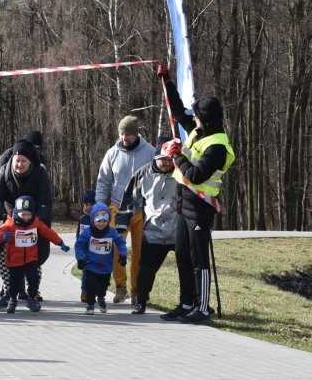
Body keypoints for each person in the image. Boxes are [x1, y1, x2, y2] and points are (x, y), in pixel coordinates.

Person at [157, 65, 236, 325]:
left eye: (198, 115)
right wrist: (166, 81)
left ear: (207, 118)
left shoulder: (218, 146)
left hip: (201, 206)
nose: (194, 118)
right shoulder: (198, 130)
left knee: (199, 260)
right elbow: (178, 111)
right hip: (184, 204)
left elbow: (196, 175)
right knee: (182, 255)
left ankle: (203, 309)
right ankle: (187, 302)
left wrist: (176, 154)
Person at [95, 115, 155, 304]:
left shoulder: (150, 152)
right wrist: (99, 205)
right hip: (117, 208)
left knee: (140, 252)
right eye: (122, 133)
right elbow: (103, 180)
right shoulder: (112, 153)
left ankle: (137, 290)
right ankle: (120, 287)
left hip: (141, 209)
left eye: (128, 134)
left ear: (136, 133)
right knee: (115, 249)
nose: (124, 137)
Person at [118, 137, 179, 314]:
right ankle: (140, 300)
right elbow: (128, 200)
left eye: (170, 160)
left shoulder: (181, 172)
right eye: (163, 160)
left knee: (187, 269)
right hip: (153, 231)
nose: (167, 164)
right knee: (146, 270)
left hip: (178, 231)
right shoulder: (142, 174)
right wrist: (122, 223)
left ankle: (190, 302)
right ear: (155, 158)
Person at [0, 139, 53, 309]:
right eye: (17, 161)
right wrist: (4, 215)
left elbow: (46, 200)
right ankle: (8, 291)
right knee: (6, 259)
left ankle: (32, 293)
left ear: (30, 161)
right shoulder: (5, 170)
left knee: (34, 259)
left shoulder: (40, 173)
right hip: (10, 219)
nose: (19, 165)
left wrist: (36, 220)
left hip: (33, 222)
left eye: (23, 161)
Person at [0, 196, 70, 314]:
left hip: (31, 259)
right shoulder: (10, 223)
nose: (26, 217)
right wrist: (2, 237)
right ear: (17, 213)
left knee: (34, 279)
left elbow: (48, 232)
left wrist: (60, 242)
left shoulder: (35, 222)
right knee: (14, 284)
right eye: (23, 215)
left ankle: (32, 299)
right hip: (15, 260)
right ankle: (12, 300)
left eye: (29, 214)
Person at [75, 204, 128, 315]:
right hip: (91, 264)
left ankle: (101, 298)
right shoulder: (87, 232)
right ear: (93, 220)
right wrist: (80, 258)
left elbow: (121, 242)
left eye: (104, 221)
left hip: (106, 267)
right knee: (91, 285)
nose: (101, 224)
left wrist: (123, 255)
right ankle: (90, 304)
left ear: (108, 221)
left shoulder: (111, 232)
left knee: (103, 286)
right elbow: (79, 244)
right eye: (98, 221)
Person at [76, 189, 95, 303]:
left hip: (97, 252)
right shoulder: (82, 219)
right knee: (86, 272)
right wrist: (79, 252)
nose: (89, 207)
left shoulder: (100, 219)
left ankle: (95, 292)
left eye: (92, 204)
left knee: (97, 274)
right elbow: (78, 236)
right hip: (85, 252)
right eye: (86, 204)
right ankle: (85, 292)